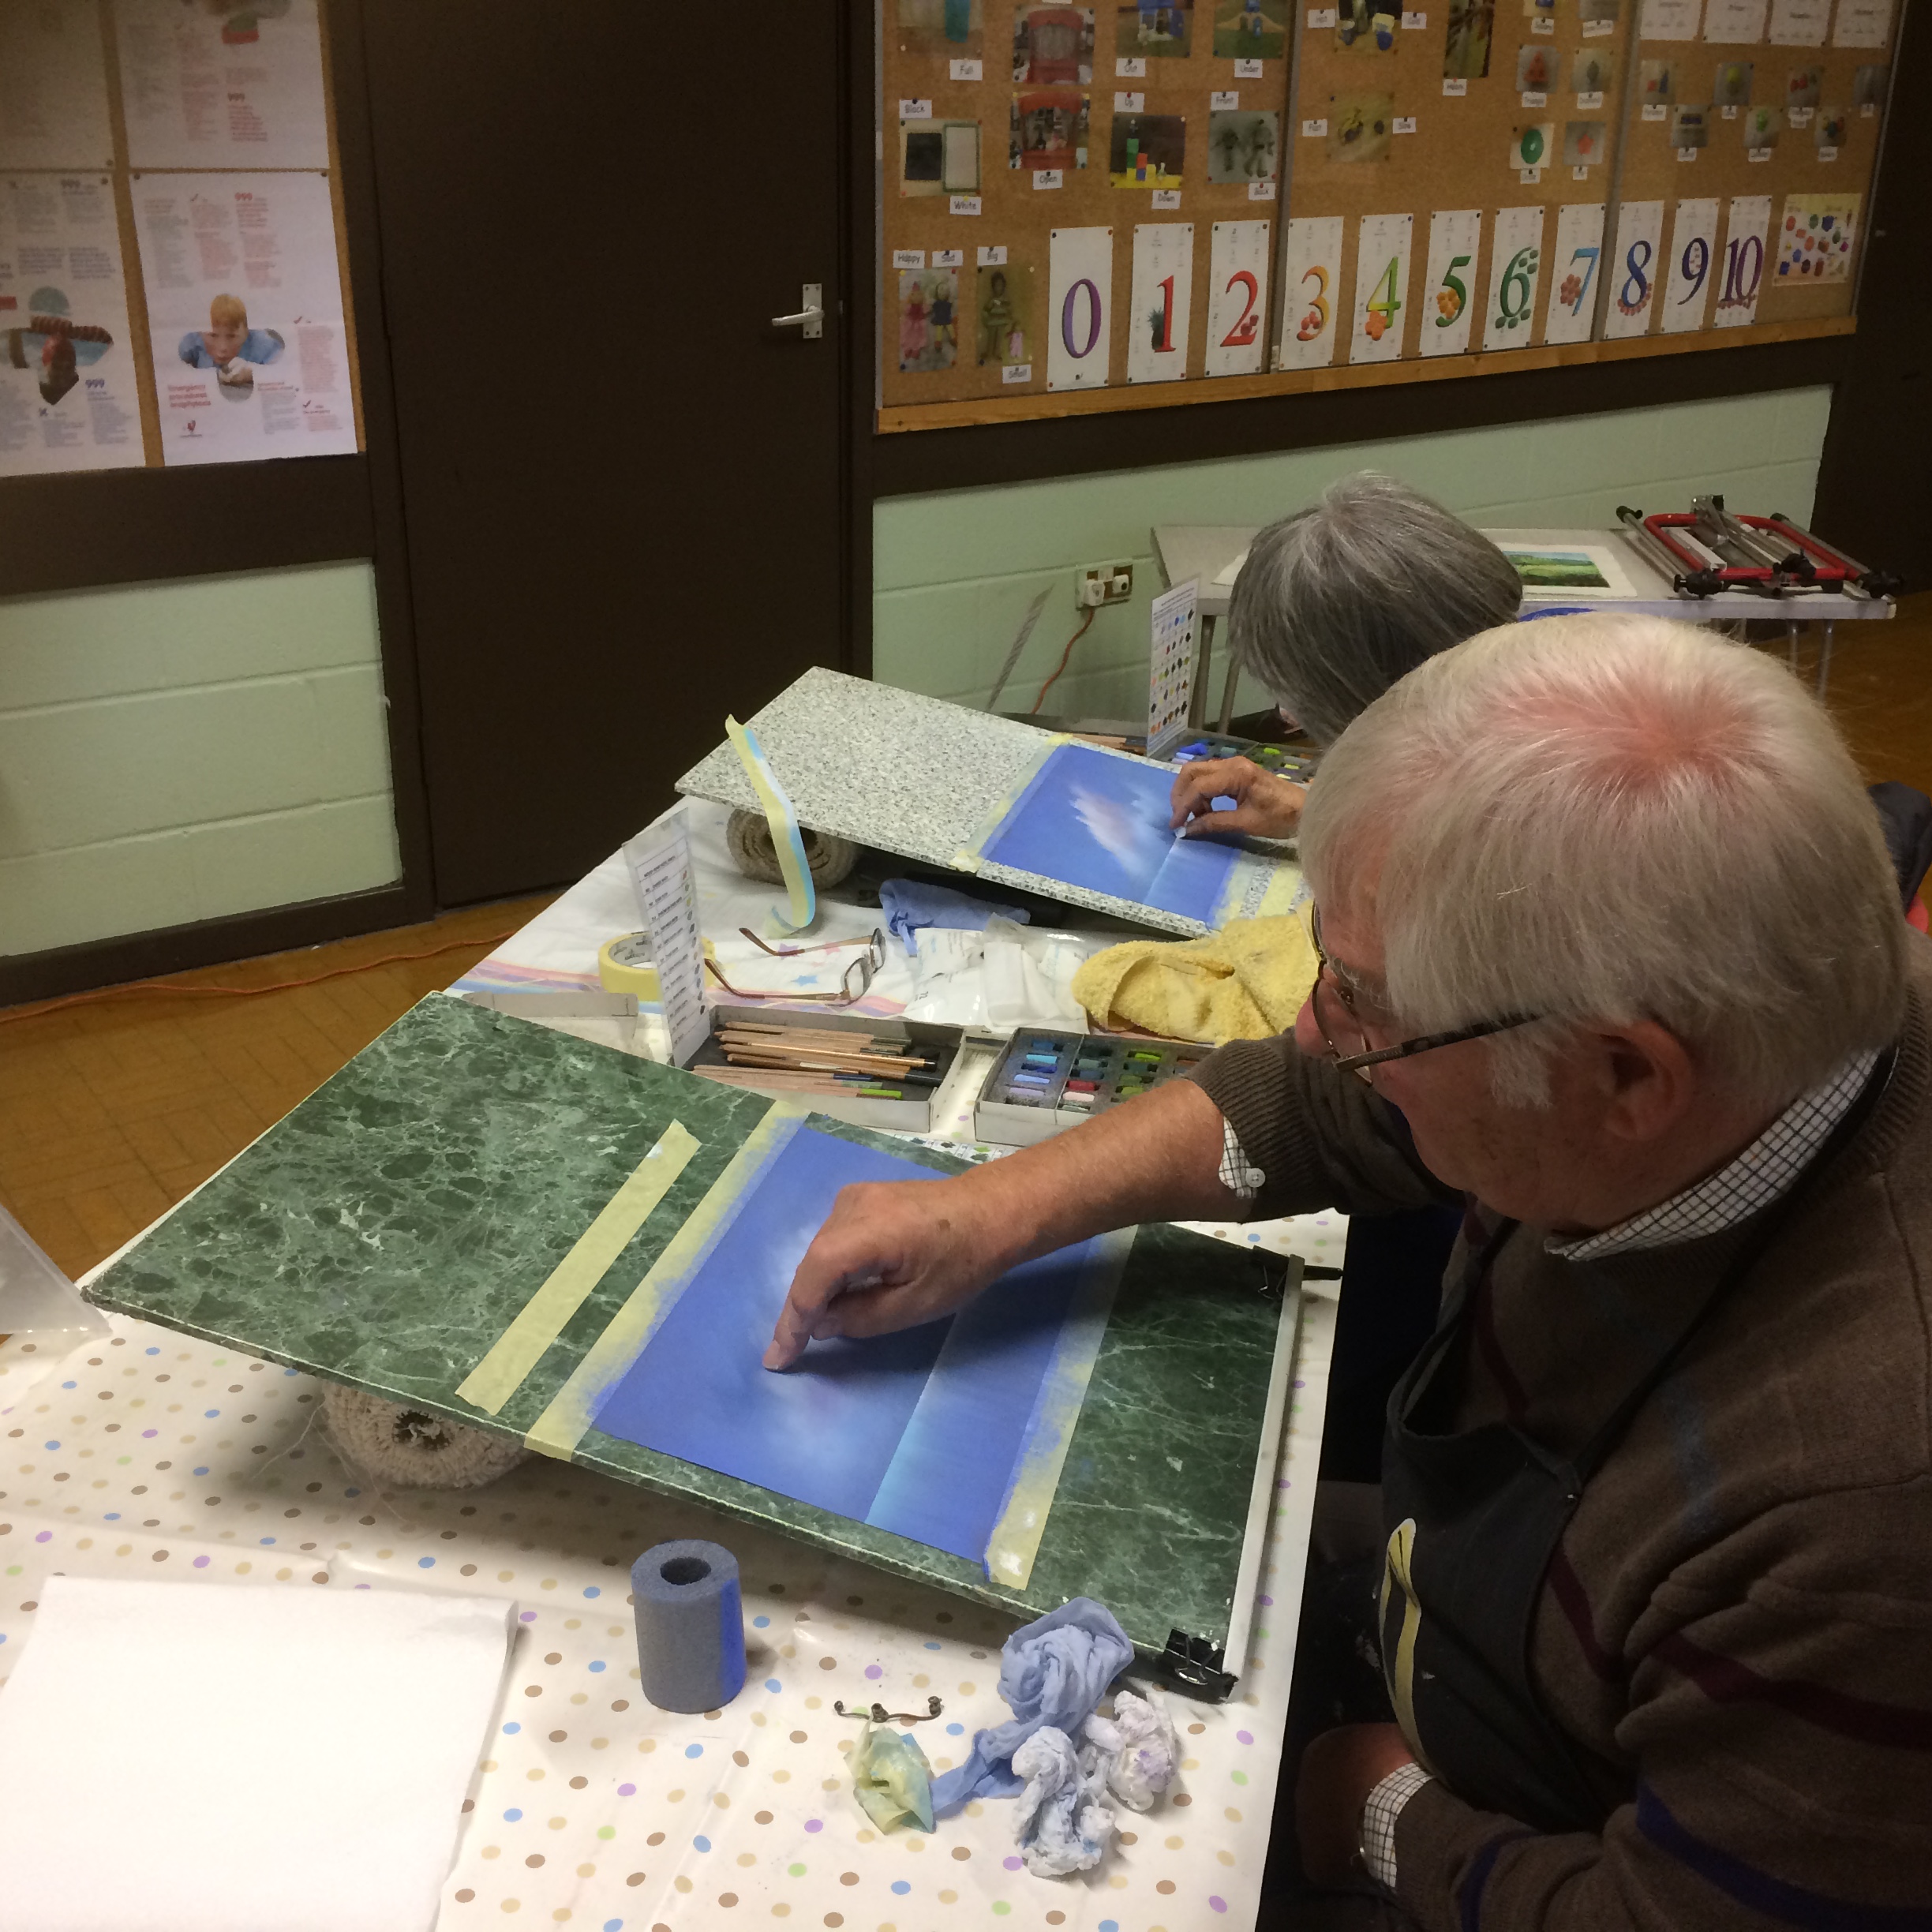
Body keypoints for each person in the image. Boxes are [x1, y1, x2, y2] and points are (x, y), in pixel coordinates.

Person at [765, 615, 1932, 1927]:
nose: (1317, 1028)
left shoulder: (1861, 1520)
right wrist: (988, 1211)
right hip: (1466, 1617)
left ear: (1623, 1077)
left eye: (1367, 1001)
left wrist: (1377, 1808)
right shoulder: (1759, 984)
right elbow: (1327, 1101)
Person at [1169, 474, 1522, 842]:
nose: (1289, 717)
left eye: (1301, 699)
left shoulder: (1526, 808)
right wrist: (1307, 813)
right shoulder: (1490, 723)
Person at [177, 293, 283, 386]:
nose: (223, 347)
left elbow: (285, 370)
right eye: (213, 335)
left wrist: (253, 373)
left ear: (247, 331)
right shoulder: (193, 341)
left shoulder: (262, 343)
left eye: (232, 336)